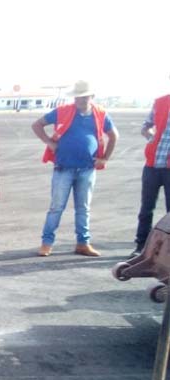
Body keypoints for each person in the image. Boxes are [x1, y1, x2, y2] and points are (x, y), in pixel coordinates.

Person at [31, 80, 118, 257]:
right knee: (56, 207)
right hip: (64, 167)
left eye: (84, 97)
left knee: (83, 208)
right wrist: (49, 142)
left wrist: (105, 158)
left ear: (91, 97)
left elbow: (113, 135)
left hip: (87, 168)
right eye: (78, 97)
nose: (81, 100)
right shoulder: (63, 111)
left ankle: (83, 243)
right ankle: (47, 243)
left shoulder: (100, 114)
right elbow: (37, 125)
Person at [132, 90, 170, 256]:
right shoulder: (160, 102)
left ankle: (167, 251)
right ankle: (141, 247)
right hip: (152, 165)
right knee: (146, 208)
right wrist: (151, 139)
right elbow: (146, 127)